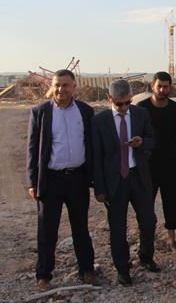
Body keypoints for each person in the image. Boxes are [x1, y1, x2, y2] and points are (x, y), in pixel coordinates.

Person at [26, 69, 96, 291]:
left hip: (78, 179)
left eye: (65, 85)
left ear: (74, 87)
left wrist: (94, 177)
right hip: (51, 180)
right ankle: (44, 276)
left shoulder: (85, 111)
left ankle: (87, 269)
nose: (60, 89)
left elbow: (91, 145)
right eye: (57, 85)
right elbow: (32, 149)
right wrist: (32, 181)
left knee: (80, 228)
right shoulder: (40, 112)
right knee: (47, 230)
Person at [92, 79, 158, 286]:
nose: (124, 107)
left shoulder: (140, 114)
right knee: (118, 227)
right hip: (115, 181)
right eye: (119, 104)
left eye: (128, 103)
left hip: (138, 176)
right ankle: (122, 268)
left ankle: (146, 257)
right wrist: (99, 187)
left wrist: (142, 142)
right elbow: (96, 156)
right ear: (109, 98)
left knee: (148, 221)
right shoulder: (99, 121)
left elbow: (152, 140)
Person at [137, 72, 176, 249]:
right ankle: (146, 240)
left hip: (169, 162)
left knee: (172, 201)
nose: (162, 90)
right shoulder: (142, 108)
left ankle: (172, 238)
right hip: (148, 163)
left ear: (170, 88)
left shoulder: (175, 108)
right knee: (146, 202)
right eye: (159, 86)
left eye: (166, 87)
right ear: (153, 86)